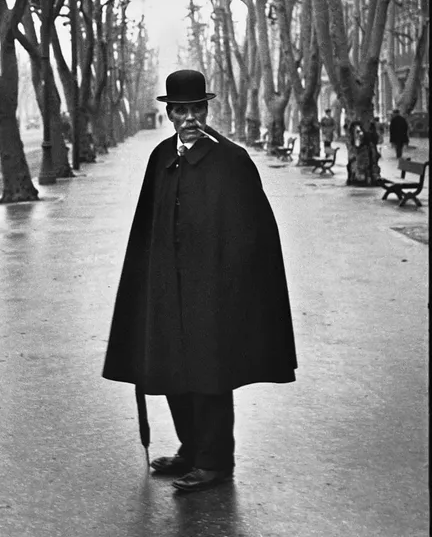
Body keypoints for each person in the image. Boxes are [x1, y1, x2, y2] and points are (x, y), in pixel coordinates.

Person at [103, 69, 297, 494]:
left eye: (197, 109)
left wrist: (233, 286)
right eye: (181, 110)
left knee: (209, 376)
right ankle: (191, 450)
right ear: (170, 113)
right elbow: (147, 226)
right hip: (168, 288)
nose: (190, 117)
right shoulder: (160, 157)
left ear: (206, 110)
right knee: (173, 371)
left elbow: (254, 232)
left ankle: (215, 463)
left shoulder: (231, 160)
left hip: (212, 292)